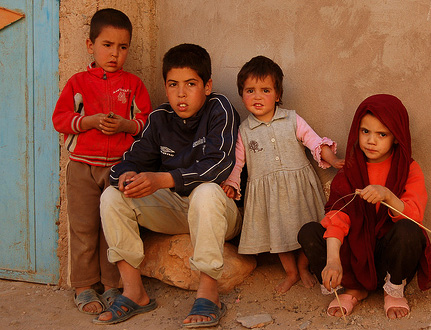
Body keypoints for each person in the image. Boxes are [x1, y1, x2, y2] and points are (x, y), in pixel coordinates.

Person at [95, 43, 241, 327]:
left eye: (191, 84)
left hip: (221, 212)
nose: (181, 93)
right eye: (173, 84)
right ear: (165, 87)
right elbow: (127, 162)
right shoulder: (160, 118)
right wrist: (126, 178)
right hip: (176, 210)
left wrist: (162, 179)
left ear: (207, 85)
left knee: (207, 191)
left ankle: (209, 294)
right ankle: (134, 292)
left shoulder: (219, 109)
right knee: (112, 196)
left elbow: (218, 165)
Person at [298, 94, 431, 319]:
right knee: (309, 232)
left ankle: (394, 290)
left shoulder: (407, 169)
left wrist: (388, 196)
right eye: (365, 132)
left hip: (387, 259)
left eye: (382, 134)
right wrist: (333, 260)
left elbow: (415, 214)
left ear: (397, 137)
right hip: (353, 257)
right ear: (356, 131)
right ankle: (353, 289)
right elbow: (338, 216)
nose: (371, 141)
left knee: (410, 231)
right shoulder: (351, 171)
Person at [52, 8, 152, 315]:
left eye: (122, 47)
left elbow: (146, 123)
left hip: (118, 169)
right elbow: (60, 119)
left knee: (113, 227)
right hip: (81, 167)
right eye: (107, 45)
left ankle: (112, 285)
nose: (115, 54)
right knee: (84, 228)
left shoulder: (133, 84)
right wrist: (88, 121)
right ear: (90, 45)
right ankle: (83, 286)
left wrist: (125, 125)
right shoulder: (78, 82)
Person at [221, 56, 345, 294]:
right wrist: (231, 184)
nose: (257, 96)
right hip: (268, 195)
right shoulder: (244, 131)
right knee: (277, 235)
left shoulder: (292, 119)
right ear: (241, 94)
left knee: (307, 228)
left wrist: (333, 160)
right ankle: (290, 273)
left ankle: (303, 268)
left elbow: (314, 141)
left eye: (265, 90)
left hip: (299, 188)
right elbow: (237, 163)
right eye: (250, 90)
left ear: (277, 95)